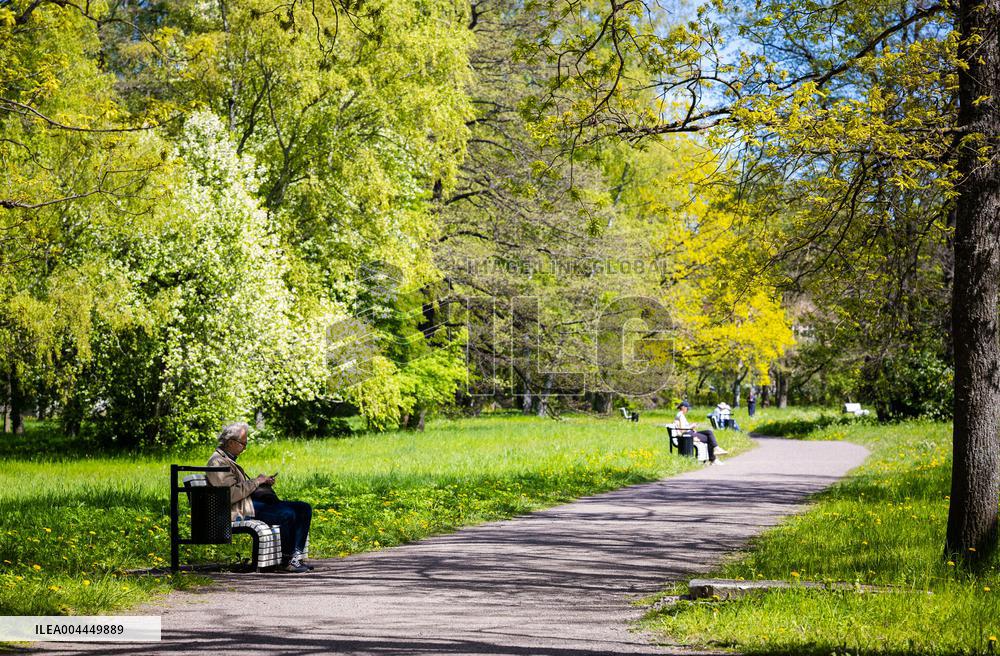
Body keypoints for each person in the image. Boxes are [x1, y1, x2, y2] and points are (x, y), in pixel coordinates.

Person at [207, 422, 314, 573]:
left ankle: (295, 557)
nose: (245, 447)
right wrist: (257, 481)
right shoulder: (217, 462)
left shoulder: (227, 459)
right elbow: (229, 495)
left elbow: (239, 488)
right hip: (238, 510)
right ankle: (286, 560)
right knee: (287, 514)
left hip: (249, 504)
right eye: (243, 443)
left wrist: (262, 484)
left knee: (303, 508)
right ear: (231, 442)